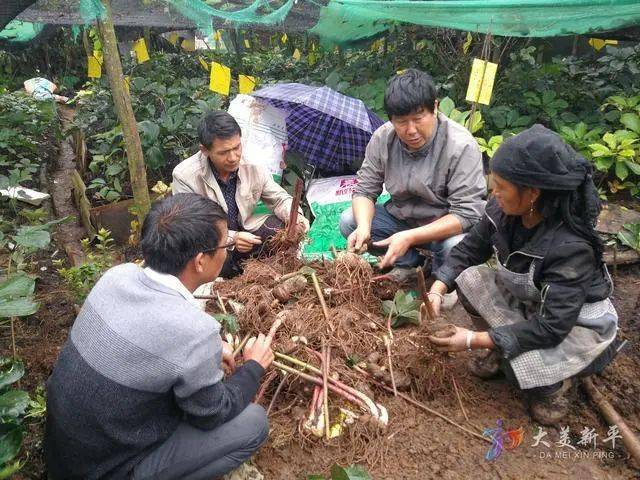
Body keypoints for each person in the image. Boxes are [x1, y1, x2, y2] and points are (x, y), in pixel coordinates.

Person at [45, 193, 276, 479]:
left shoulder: (117, 276)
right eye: (225, 244)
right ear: (200, 261)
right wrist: (253, 367)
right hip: (106, 470)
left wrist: (208, 348)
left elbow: (148, 332)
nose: (227, 251)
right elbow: (213, 413)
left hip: (64, 457)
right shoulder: (194, 330)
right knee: (253, 423)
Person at [427, 125, 620, 425]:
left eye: (501, 185)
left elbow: (554, 327)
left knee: (522, 365)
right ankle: (496, 347)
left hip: (575, 326)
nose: (494, 191)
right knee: (469, 278)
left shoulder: (570, 247)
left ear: (532, 192)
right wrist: (438, 287)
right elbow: (470, 250)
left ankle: (556, 386)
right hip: (536, 305)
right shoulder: (502, 209)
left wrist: (471, 340)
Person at [339, 69, 486, 291]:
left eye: (418, 119)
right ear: (391, 119)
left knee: (456, 246)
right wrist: (363, 227)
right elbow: (365, 190)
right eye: (401, 121)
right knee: (350, 220)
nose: (411, 130)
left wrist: (409, 237)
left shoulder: (460, 145)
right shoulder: (383, 138)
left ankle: (443, 279)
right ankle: (411, 265)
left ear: (435, 108)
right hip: (402, 220)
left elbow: (467, 214)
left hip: (444, 227)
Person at [173, 111, 309, 277]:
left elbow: (279, 199)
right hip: (213, 242)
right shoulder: (185, 175)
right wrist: (232, 239)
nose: (233, 157)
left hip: (247, 231)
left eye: (237, 147)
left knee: (281, 231)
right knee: (201, 258)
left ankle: (267, 272)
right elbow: (190, 227)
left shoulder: (253, 163)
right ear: (204, 150)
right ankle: (230, 276)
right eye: (223, 152)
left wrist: (295, 218)